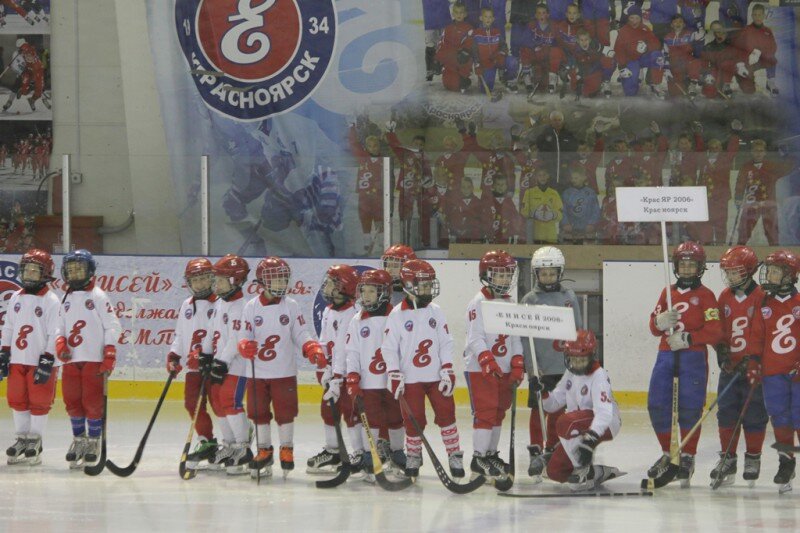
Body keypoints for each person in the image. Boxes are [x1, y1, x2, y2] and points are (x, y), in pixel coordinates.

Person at [237, 257, 324, 478]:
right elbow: (243, 336)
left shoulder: (291, 306)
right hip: (257, 373)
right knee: (258, 413)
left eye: (283, 278)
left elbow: (300, 333)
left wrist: (311, 347)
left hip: (284, 372)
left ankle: (287, 447)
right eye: (275, 279)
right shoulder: (251, 307)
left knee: (285, 413)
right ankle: (264, 450)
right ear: (263, 282)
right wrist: (244, 345)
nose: (281, 283)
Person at [647, 242, 723, 487]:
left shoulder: (706, 295)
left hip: (693, 357)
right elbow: (652, 327)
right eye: (683, 264)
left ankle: (688, 456)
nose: (687, 269)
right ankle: (669, 453)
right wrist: (658, 322)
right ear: (676, 266)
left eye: (692, 265)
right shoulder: (667, 292)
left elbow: (715, 331)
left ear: (700, 267)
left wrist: (690, 338)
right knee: (657, 404)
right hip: (666, 354)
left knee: (690, 408)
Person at [382, 259, 464, 478]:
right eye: (423, 286)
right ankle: (414, 455)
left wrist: (447, 368)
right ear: (409, 285)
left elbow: (446, 341)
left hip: (436, 377)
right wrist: (393, 373)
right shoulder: (397, 315)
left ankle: (454, 454)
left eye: (429, 285)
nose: (428, 290)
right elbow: (389, 348)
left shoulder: (435, 311)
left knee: (447, 414)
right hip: (410, 379)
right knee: (413, 418)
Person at [520, 246, 583, 479]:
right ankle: (536, 449)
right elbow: (524, 336)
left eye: (552, 273)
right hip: (541, 367)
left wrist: (578, 361)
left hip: (565, 366)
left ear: (560, 272)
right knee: (538, 410)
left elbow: (578, 330)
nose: (548, 278)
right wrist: (531, 368)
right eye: (543, 273)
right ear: (536, 274)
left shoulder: (569, 297)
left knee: (558, 410)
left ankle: (552, 450)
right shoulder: (530, 300)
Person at [56, 250, 120, 469]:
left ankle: (93, 442)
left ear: (90, 271)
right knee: (72, 401)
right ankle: (79, 440)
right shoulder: (64, 298)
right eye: (71, 269)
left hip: (93, 359)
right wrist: (61, 344)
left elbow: (112, 325)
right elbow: (59, 327)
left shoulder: (98, 296)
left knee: (92, 402)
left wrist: (109, 353)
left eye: (79, 269)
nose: (74, 273)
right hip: (72, 361)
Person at [464, 250, 525, 481]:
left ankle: (490, 454)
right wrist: (487, 360)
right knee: (486, 413)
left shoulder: (510, 302)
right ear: (486, 275)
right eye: (499, 275)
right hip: (480, 369)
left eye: (508, 274)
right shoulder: (477, 302)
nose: (505, 279)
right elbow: (475, 338)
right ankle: (478, 458)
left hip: (504, 369)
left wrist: (518, 363)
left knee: (499, 412)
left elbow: (516, 337)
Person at [536, 329, 622, 490]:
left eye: (581, 360)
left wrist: (590, 439)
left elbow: (604, 412)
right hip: (578, 425)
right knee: (555, 471)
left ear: (591, 356)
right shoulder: (570, 374)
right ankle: (597, 472)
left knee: (564, 421)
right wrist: (543, 392)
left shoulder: (599, 376)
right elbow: (553, 405)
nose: (576, 364)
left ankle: (583, 468)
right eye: (573, 359)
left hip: (606, 423)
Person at [711, 246, 768, 486]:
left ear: (750, 271)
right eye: (728, 272)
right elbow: (719, 329)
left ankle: (753, 457)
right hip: (730, 370)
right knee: (726, 413)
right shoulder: (724, 296)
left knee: (754, 413)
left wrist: (754, 357)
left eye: (736, 272)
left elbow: (765, 331)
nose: (731, 276)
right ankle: (727, 458)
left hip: (755, 369)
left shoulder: (763, 296)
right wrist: (721, 351)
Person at [345, 269, 407, 476]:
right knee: (370, 419)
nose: (367, 295)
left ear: (385, 292)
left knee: (396, 417)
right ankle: (370, 457)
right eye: (364, 291)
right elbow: (352, 351)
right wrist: (353, 376)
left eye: (372, 291)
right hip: (369, 382)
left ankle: (398, 453)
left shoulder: (397, 316)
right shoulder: (357, 320)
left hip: (391, 380)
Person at [1, 249, 59, 465]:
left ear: (46, 274)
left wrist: (48, 357)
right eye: (27, 270)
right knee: (17, 400)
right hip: (18, 359)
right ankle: (22, 439)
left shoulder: (51, 300)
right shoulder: (16, 296)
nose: (29, 274)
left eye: (35, 271)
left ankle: (35, 440)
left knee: (39, 401)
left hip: (39, 360)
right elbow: (8, 327)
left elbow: (56, 332)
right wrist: (4, 351)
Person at [751, 250, 800, 490]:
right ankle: (786, 461)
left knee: (799, 417)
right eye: (768, 270)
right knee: (779, 417)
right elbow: (757, 336)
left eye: (775, 271)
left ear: (790, 276)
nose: (768, 275)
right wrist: (752, 361)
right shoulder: (763, 303)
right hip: (772, 373)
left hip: (798, 374)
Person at [166, 258, 220, 470]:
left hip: (215, 366)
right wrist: (174, 356)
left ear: (213, 279)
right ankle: (207, 440)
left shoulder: (220, 304)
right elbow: (180, 335)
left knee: (220, 405)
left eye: (204, 278)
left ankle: (236, 440)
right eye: (195, 280)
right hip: (193, 368)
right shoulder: (186, 306)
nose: (199, 284)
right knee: (192, 404)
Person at [308, 265, 362, 475]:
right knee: (328, 410)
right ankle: (333, 451)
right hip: (334, 374)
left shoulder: (352, 314)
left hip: (348, 374)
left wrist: (338, 378)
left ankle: (359, 453)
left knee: (351, 414)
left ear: (344, 287)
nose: (327, 286)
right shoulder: (329, 310)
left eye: (332, 282)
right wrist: (323, 367)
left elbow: (343, 349)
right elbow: (324, 342)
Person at [203, 254, 252, 474]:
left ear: (235, 281)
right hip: (222, 361)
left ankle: (242, 446)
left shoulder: (242, 307)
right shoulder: (221, 303)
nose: (216, 283)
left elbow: (235, 338)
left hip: (239, 365)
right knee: (216, 399)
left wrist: (222, 361)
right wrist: (206, 354)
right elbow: (213, 331)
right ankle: (230, 444)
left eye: (221, 279)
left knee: (229, 399)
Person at [734, 139, 791, 246]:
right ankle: (739, 250)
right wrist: (738, 197)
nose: (758, 153)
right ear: (752, 152)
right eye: (756, 150)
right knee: (744, 230)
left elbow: (786, 168)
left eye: (761, 151)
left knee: (772, 231)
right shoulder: (746, 167)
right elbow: (740, 183)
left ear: (765, 152)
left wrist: (786, 156)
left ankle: (775, 252)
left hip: (768, 203)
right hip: (752, 203)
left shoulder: (771, 166)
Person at [693, 122, 741, 245]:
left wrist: (735, 133)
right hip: (705, 198)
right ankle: (706, 246)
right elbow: (699, 149)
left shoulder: (726, 159)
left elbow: (733, 149)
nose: (714, 149)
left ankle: (720, 247)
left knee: (720, 224)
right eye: (712, 147)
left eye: (717, 147)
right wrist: (698, 134)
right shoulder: (703, 159)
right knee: (704, 224)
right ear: (708, 148)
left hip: (720, 199)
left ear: (721, 148)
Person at [348, 123, 384, 256]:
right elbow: (354, 144)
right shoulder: (363, 158)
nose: (374, 148)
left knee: (380, 219)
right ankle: (366, 242)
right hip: (364, 195)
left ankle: (382, 244)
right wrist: (352, 127)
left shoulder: (383, 161)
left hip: (378, 196)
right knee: (364, 218)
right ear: (366, 147)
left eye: (376, 145)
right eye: (371, 146)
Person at [613, 6, 666, 97]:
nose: (634, 21)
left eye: (637, 18)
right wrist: (622, 66)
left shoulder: (644, 28)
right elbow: (618, 50)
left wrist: (646, 47)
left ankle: (654, 82)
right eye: (631, 18)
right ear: (628, 18)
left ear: (641, 18)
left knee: (657, 56)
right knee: (630, 93)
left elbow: (656, 44)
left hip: (643, 58)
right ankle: (631, 78)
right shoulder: (623, 31)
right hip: (631, 60)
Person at [731, 4, 778, 96]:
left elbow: (773, 46)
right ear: (752, 16)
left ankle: (770, 82)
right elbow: (737, 46)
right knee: (749, 90)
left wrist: (759, 52)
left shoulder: (767, 31)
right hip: (747, 62)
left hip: (762, 60)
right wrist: (741, 63)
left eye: (760, 15)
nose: (757, 17)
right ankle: (740, 77)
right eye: (755, 15)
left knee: (772, 58)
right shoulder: (746, 30)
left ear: (764, 16)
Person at [520, 5, 566, 94]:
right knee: (524, 49)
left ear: (548, 15)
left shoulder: (554, 26)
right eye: (539, 13)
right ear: (535, 15)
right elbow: (524, 40)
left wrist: (549, 47)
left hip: (547, 57)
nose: (541, 15)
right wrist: (534, 46)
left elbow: (560, 42)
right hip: (535, 56)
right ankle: (527, 76)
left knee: (556, 51)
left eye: (544, 13)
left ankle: (552, 78)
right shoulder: (531, 25)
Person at [472, 8, 519, 92]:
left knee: (513, 62)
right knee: (485, 90)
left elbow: (503, 45)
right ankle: (482, 79)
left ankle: (507, 79)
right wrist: (477, 64)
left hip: (497, 59)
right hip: (486, 64)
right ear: (481, 18)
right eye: (485, 16)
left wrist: (501, 53)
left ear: (493, 19)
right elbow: (474, 51)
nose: (488, 19)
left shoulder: (496, 31)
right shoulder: (476, 33)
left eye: (490, 17)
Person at [435, 2, 475, 93]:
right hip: (451, 60)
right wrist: (437, 59)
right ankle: (454, 77)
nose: (459, 15)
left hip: (462, 61)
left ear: (465, 14)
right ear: (453, 14)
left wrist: (465, 50)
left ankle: (463, 77)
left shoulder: (469, 28)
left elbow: (470, 43)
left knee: (465, 57)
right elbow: (442, 44)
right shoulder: (448, 28)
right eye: (456, 12)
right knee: (448, 85)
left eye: (461, 12)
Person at [535, 110, 579, 189]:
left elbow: (574, 151)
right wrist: (546, 162)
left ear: (563, 121)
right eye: (555, 120)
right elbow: (540, 151)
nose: (557, 122)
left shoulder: (569, 135)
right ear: (550, 121)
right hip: (549, 173)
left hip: (565, 173)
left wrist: (567, 161)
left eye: (559, 120)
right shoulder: (544, 135)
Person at [662, 15, 704, 98]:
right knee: (675, 93)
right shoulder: (667, 37)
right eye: (675, 22)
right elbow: (665, 54)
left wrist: (699, 21)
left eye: (680, 22)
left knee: (696, 62)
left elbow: (701, 35)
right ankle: (685, 80)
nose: (678, 23)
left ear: (684, 25)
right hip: (674, 64)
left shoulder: (689, 34)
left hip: (687, 61)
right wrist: (667, 69)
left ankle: (693, 83)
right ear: (671, 25)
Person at [521, 168, 563, 244]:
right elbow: (524, 211)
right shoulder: (529, 192)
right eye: (539, 175)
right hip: (535, 236)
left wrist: (553, 214)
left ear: (548, 176)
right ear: (536, 177)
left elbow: (560, 215)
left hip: (550, 236)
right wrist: (533, 213)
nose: (542, 177)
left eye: (544, 175)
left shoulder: (554, 193)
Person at [560, 166, 600, 243]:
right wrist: (565, 223)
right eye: (572, 178)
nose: (573, 180)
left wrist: (592, 224)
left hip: (587, 229)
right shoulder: (567, 193)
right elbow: (563, 210)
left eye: (576, 178)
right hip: (570, 229)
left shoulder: (591, 193)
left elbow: (596, 210)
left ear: (583, 178)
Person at [700, 20, 738, 99]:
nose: (720, 33)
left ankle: (726, 86)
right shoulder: (708, 47)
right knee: (709, 93)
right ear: (713, 33)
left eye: (721, 30)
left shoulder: (732, 44)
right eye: (716, 31)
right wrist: (707, 74)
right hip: (715, 73)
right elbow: (703, 63)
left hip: (728, 74)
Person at [446, 177, 489, 244]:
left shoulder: (479, 203)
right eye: (463, 187)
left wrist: (482, 235)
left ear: (472, 188)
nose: (466, 189)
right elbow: (451, 221)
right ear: (460, 188)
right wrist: (454, 233)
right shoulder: (455, 203)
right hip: (460, 239)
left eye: (468, 187)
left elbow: (483, 221)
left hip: (475, 238)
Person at [487, 175, 523, 244]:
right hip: (492, 238)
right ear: (493, 186)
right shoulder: (489, 202)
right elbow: (485, 219)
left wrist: (512, 231)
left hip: (506, 238)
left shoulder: (509, 202)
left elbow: (515, 218)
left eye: (503, 184)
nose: (500, 187)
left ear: (506, 186)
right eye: (498, 184)